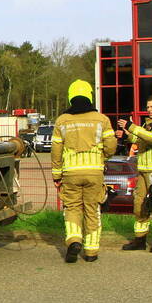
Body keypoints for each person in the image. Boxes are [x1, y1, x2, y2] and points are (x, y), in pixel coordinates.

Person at [51, 79, 117, 263]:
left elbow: (56, 150)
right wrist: (102, 156)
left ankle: (74, 240)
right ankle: (91, 252)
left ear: (71, 96)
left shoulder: (62, 120)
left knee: (72, 208)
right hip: (94, 172)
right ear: (90, 95)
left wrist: (56, 175)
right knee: (93, 209)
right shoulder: (102, 119)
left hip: (70, 172)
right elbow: (111, 147)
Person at [117, 96, 152, 252]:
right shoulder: (146, 124)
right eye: (148, 107)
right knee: (140, 204)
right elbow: (139, 139)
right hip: (143, 170)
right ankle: (139, 239)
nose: (149, 110)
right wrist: (126, 134)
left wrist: (132, 126)